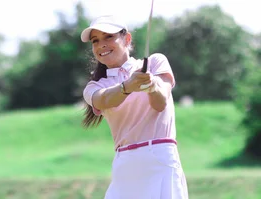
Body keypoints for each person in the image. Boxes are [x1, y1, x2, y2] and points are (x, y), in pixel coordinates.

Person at [80, 15, 189, 199]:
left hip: (160, 158)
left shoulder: (154, 63)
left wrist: (151, 85)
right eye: (95, 41)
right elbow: (105, 100)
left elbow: (160, 103)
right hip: (125, 166)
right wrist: (127, 87)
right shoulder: (95, 86)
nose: (101, 45)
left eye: (108, 37)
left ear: (127, 39)